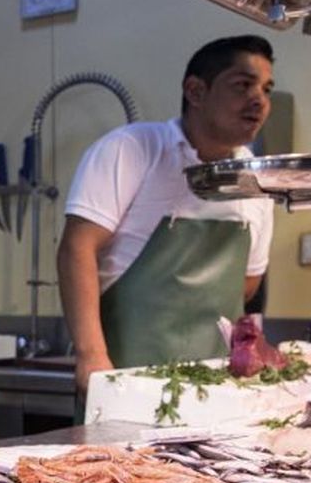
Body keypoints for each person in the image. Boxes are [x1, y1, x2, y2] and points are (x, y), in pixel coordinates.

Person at [57, 35, 276, 391]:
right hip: (124, 379)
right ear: (195, 91)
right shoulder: (131, 149)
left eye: (266, 89)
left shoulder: (258, 177)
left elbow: (247, 283)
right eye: (242, 85)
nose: (259, 100)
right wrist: (91, 356)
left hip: (217, 385)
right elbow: (76, 249)